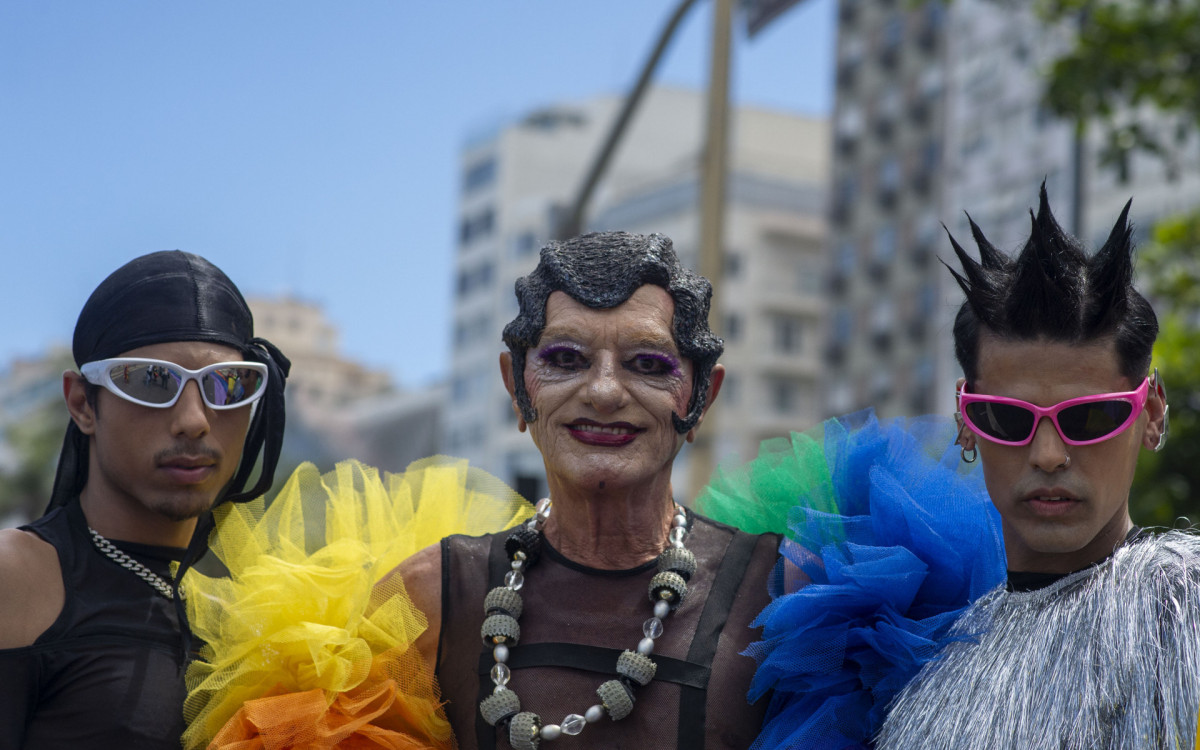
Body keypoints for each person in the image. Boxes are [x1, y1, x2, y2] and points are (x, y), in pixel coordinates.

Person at [400, 231, 781, 750]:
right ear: (516, 387)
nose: (603, 392)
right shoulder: (424, 599)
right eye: (565, 359)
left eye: (649, 365)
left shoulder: (782, 596)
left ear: (700, 399)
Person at [872, 187, 1198, 748]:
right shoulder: (927, 659)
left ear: (1150, 414)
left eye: (1090, 417)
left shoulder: (1185, 611)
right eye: (1007, 418)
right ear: (966, 420)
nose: (1048, 455)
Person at [0, 251, 289, 749]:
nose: (194, 420)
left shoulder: (259, 611)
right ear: (82, 403)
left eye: (229, 385)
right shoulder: (17, 579)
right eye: (151, 381)